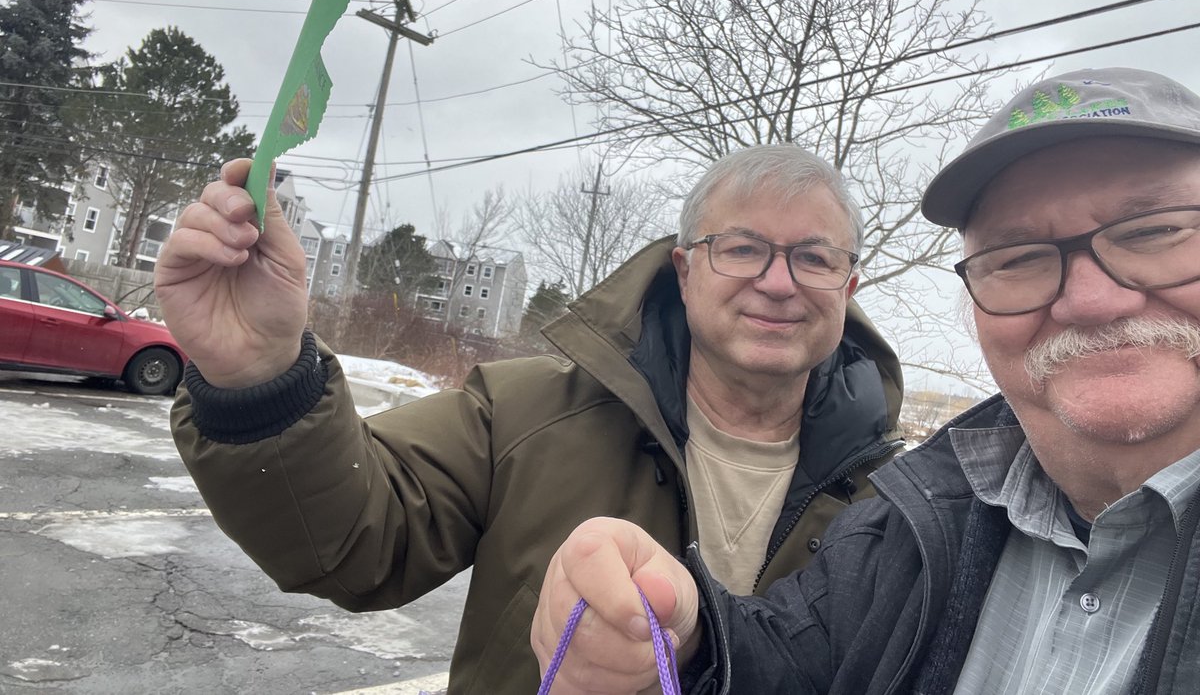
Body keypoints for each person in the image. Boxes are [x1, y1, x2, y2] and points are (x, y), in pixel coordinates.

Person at [532, 67, 1200, 695]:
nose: (1090, 301)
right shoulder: (921, 520)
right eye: (1018, 257)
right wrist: (692, 640)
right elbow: (793, 660)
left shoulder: (883, 483)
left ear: (847, 288)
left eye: (1155, 232)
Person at [155, 143, 905, 695]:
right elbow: (350, 541)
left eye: (814, 257)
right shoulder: (522, 414)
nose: (779, 283)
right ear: (684, 269)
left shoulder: (900, 504)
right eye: (742, 248)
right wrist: (258, 375)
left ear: (849, 282)